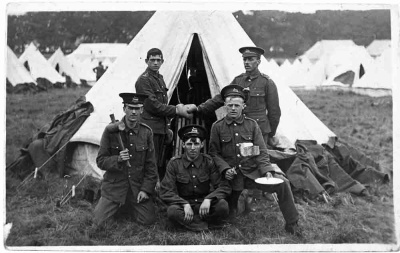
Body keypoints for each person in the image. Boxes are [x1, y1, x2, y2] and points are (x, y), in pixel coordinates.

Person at [208, 85, 302, 236]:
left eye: (236, 105)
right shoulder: (217, 127)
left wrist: (267, 171)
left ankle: (292, 223)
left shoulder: (252, 125)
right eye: (230, 105)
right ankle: (233, 209)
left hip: (252, 173)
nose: (233, 108)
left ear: (243, 106)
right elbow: (213, 153)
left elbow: (261, 151)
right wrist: (225, 169)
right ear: (225, 106)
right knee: (229, 215)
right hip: (231, 177)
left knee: (282, 183)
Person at [187, 46, 281, 148]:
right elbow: (220, 98)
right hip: (240, 129)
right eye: (244, 59)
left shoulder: (267, 83)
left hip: (259, 131)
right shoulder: (238, 80)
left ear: (258, 61)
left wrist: (270, 133)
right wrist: (199, 109)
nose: (246, 62)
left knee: (258, 159)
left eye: (250, 59)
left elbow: (274, 112)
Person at [93, 93, 158, 227]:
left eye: (137, 108)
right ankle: (113, 203)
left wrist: (145, 190)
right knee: (99, 223)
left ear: (142, 110)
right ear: (124, 109)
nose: (133, 112)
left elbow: (151, 166)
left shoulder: (146, 133)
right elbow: (100, 160)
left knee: (148, 220)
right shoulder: (111, 130)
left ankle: (126, 207)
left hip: (136, 187)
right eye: (130, 108)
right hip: (115, 187)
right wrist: (118, 159)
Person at [135, 48, 194, 189]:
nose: (155, 63)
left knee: (159, 162)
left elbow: (162, 103)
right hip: (150, 129)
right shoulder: (143, 81)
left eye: (158, 60)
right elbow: (153, 105)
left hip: (160, 128)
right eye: (152, 60)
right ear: (146, 61)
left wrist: (167, 126)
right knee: (150, 163)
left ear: (162, 61)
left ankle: (157, 192)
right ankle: (148, 192)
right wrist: (176, 110)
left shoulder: (159, 78)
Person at [159, 124, 231, 232]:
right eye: (189, 144)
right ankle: (208, 225)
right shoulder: (174, 163)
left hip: (204, 203)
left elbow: (224, 186)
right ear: (183, 145)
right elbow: (165, 191)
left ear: (202, 144)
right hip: (183, 204)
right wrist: (184, 203)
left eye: (196, 144)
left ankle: (191, 224)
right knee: (172, 212)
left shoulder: (209, 161)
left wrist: (209, 199)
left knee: (222, 206)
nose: (193, 148)